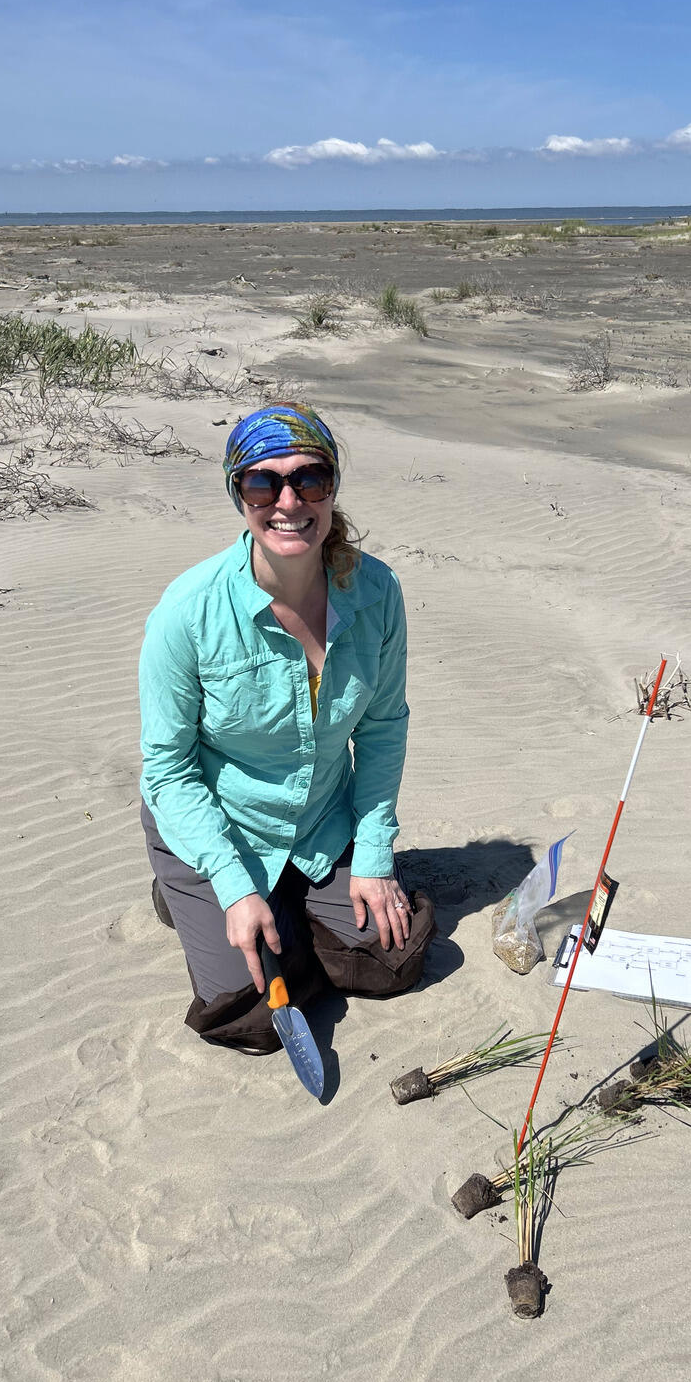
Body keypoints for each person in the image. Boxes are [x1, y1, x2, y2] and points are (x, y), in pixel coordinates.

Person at [138, 402, 434, 1053]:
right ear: (237, 493)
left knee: (392, 961)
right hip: (217, 822)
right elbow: (168, 768)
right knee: (252, 1023)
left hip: (320, 817)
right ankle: (190, 888)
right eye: (262, 482)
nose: (288, 500)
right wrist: (233, 883)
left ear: (332, 488)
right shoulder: (187, 613)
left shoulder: (376, 593)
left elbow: (383, 728)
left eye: (310, 477)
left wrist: (375, 855)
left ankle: (287, 899)